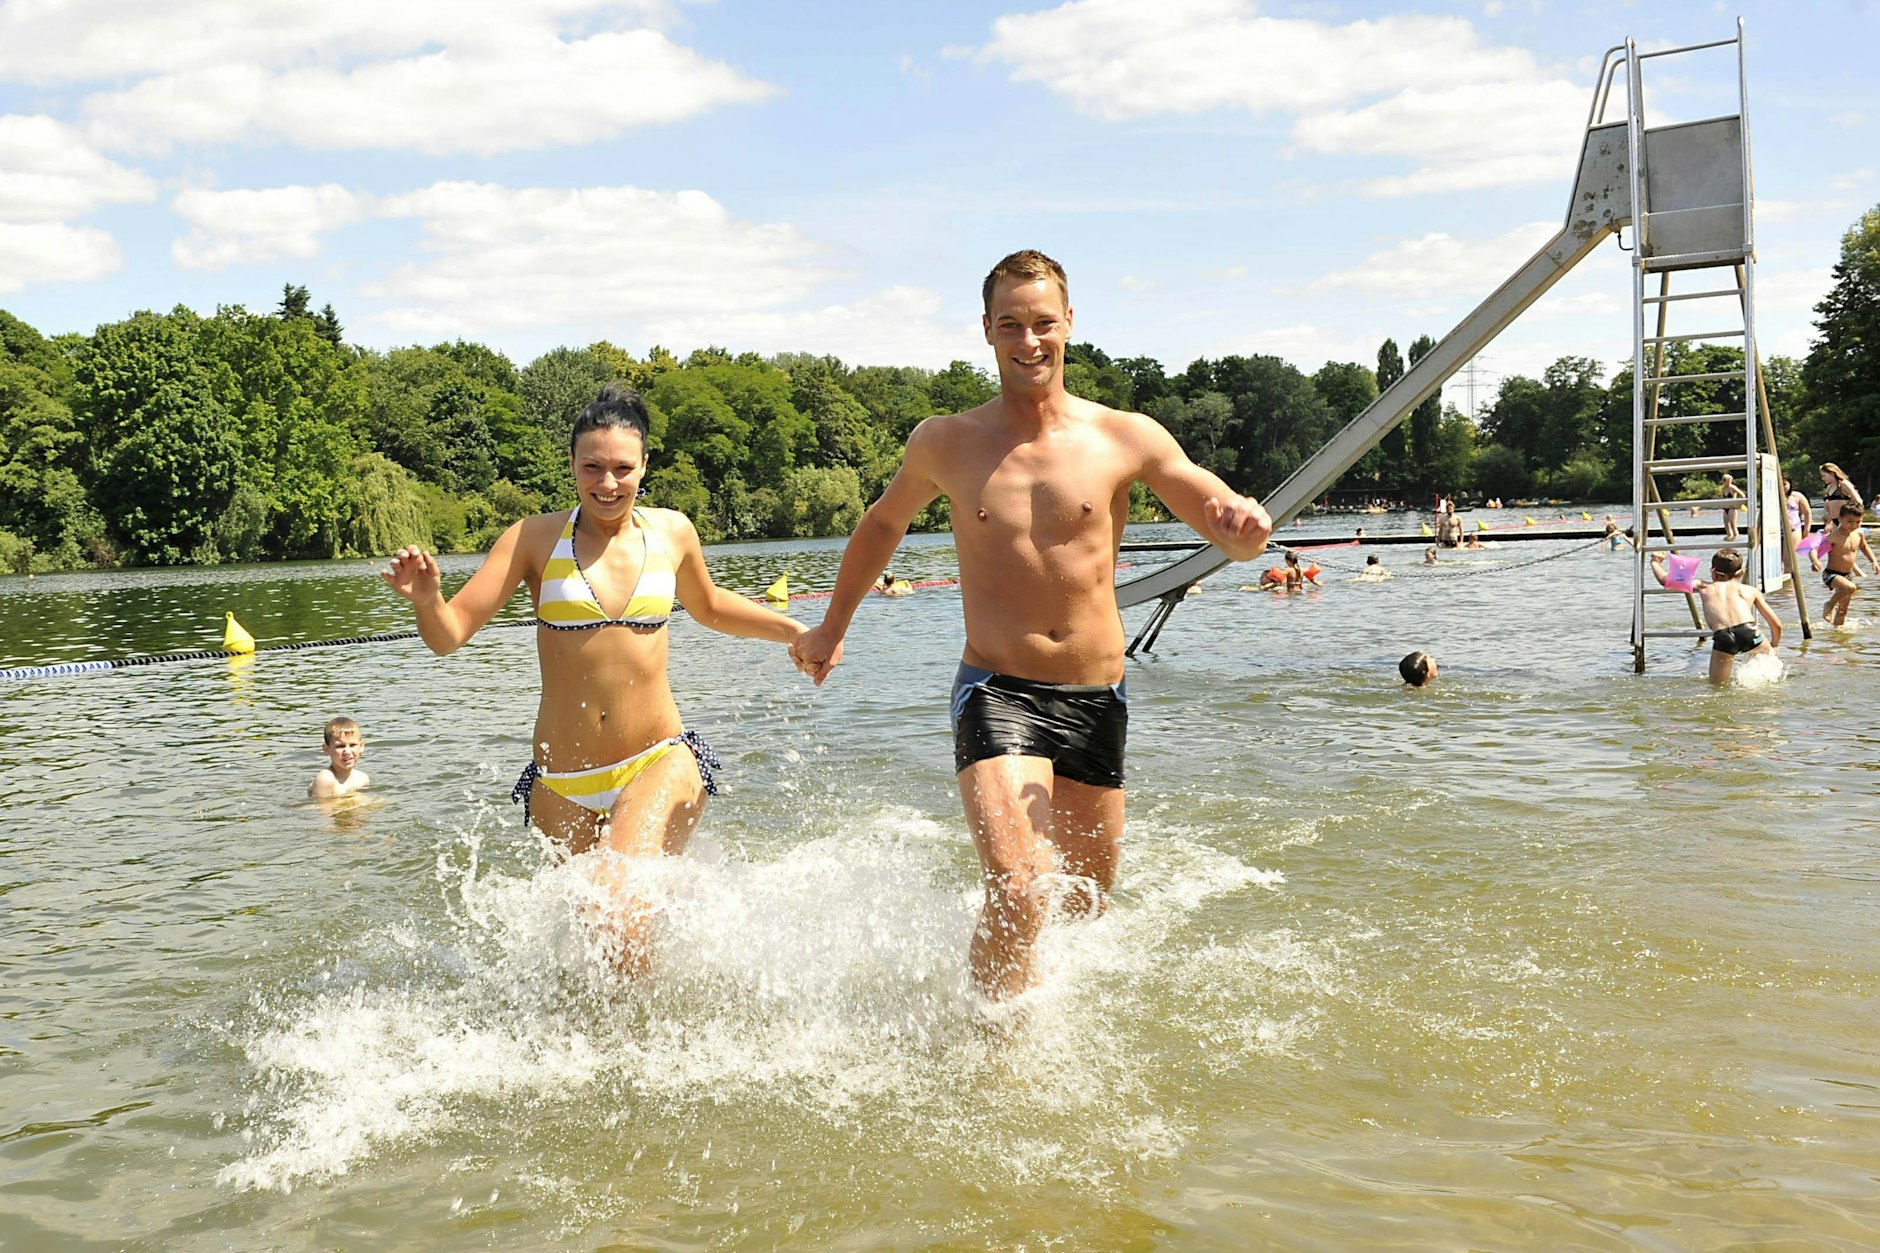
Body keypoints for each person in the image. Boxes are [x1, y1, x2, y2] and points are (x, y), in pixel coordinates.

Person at [788, 249, 1272, 1003]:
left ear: (1069, 322)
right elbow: (883, 523)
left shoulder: (1124, 435)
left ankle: (1031, 1019)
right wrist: (830, 627)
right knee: (1019, 888)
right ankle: (992, 1052)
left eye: (1043, 322)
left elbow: (1211, 507)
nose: (1029, 340)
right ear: (986, 329)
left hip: (1097, 696)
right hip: (997, 689)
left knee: (1083, 907)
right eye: (1010, 323)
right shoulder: (946, 442)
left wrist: (1241, 532)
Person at [381, 386, 810, 971]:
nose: (608, 483)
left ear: (645, 465)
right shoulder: (533, 538)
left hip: (656, 758)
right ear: (572, 464)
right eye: (592, 467)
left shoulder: (672, 532)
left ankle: (665, 1026)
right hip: (561, 781)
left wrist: (794, 632)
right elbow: (448, 635)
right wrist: (428, 600)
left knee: (620, 908)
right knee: (593, 948)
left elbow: (710, 606)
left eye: (622, 468)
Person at [1649, 548, 1783, 683]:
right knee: (1769, 659)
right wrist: (1774, 645)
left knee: (1718, 685)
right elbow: (1776, 625)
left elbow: (1665, 580)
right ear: (1742, 573)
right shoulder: (1750, 591)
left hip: (1723, 637)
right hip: (1748, 631)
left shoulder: (1703, 586)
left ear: (1713, 572)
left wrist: (1655, 562)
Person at [1821, 509, 1879, 627]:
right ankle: (1829, 604)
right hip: (1831, 574)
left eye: (1858, 522)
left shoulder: (1859, 534)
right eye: (1850, 521)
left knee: (1843, 610)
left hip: (1848, 575)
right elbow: (1816, 549)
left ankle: (1837, 632)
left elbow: (1864, 547)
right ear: (1840, 518)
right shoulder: (1834, 536)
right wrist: (1815, 561)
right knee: (1851, 587)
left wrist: (1874, 561)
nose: (1854, 525)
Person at [308, 716, 370, 798]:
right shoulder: (325, 779)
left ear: (361, 746)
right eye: (340, 746)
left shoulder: (362, 779)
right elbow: (321, 806)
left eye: (352, 745)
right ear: (327, 749)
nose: (347, 752)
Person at [1820, 462, 1863, 529]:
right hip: (1834, 521)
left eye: (1824, 476)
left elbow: (1858, 501)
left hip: (1845, 521)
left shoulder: (1844, 484)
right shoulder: (1829, 487)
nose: (1822, 478)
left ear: (1832, 473)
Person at [1719, 473, 1746, 541]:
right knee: (1726, 525)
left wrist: (1737, 504)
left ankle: (1736, 538)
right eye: (1728, 481)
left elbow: (1743, 495)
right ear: (1724, 481)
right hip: (1725, 508)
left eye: (1730, 481)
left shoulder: (1732, 487)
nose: (1729, 483)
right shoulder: (1723, 488)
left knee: (1733, 525)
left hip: (1732, 508)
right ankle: (1729, 538)